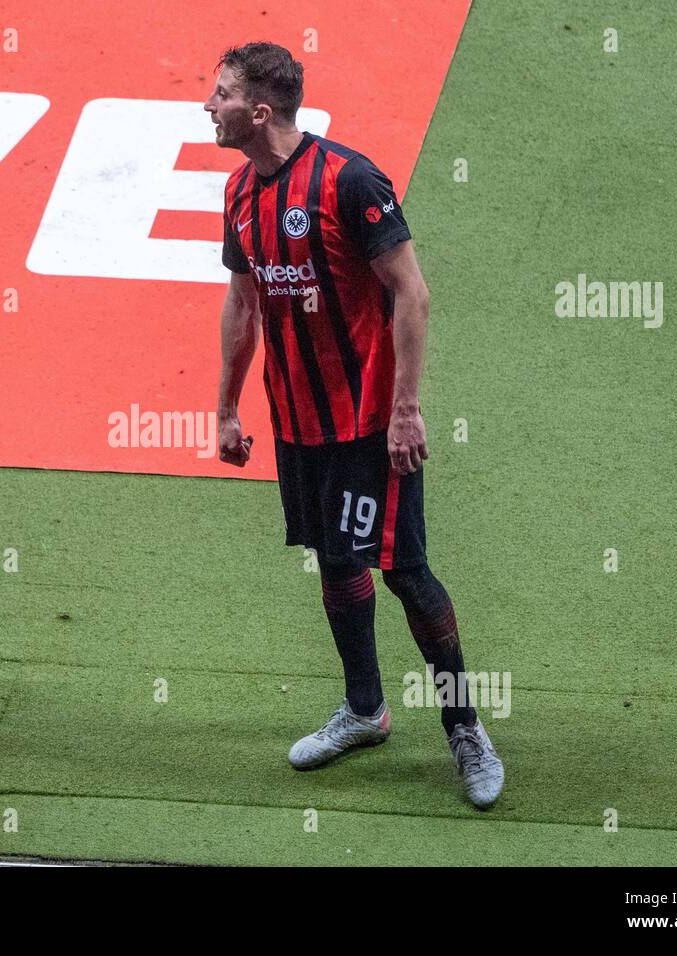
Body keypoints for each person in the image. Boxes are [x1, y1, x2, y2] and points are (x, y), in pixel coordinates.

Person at [204, 41, 504, 808]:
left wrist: (405, 411)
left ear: (259, 111)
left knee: (402, 570)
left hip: (370, 425)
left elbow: (413, 294)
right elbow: (244, 303)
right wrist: (228, 407)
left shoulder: (349, 180)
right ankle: (365, 710)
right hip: (300, 424)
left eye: (221, 94)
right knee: (337, 563)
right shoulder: (240, 193)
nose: (208, 105)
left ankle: (465, 726)